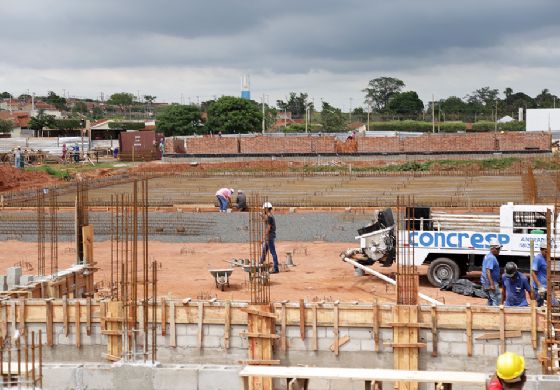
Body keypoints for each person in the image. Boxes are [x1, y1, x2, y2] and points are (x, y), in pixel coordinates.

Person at [481, 238, 502, 306]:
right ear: (493, 248)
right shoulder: (491, 258)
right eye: (498, 249)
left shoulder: (488, 256)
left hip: (486, 281)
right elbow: (488, 271)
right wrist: (492, 284)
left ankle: (488, 314)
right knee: (497, 299)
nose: (499, 250)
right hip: (490, 282)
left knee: (490, 299)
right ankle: (495, 315)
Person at [260, 202, 279, 274]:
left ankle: (276, 268)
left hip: (270, 236)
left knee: (273, 252)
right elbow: (266, 221)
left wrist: (264, 236)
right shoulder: (269, 216)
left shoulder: (270, 217)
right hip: (269, 236)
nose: (263, 210)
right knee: (264, 250)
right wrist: (263, 217)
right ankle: (261, 263)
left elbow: (268, 227)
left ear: (267, 209)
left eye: (264, 209)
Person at [531, 241, 548, 307]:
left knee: (553, 303)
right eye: (546, 251)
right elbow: (533, 273)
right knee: (539, 306)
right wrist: (539, 286)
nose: (547, 253)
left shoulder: (547, 258)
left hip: (547, 287)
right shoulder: (538, 258)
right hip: (540, 289)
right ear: (541, 250)